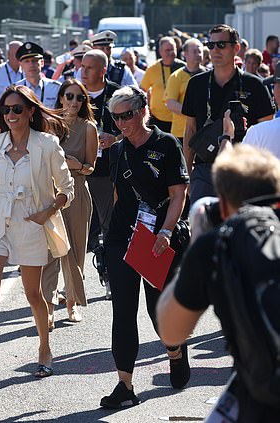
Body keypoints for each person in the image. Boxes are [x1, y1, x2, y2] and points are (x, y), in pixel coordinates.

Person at [0, 85, 74, 393]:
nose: (10, 115)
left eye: (17, 109)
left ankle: (44, 348)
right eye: (5, 110)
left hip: (30, 223)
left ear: (31, 112)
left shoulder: (47, 144)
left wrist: (48, 211)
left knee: (33, 294)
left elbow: (66, 189)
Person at [157, 143, 280, 422]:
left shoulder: (218, 245)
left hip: (262, 403)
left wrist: (199, 241)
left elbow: (171, 330)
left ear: (222, 203)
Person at [100, 86, 190, 408]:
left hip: (157, 238)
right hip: (124, 239)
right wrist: (107, 238)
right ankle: (124, 385)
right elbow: (117, 195)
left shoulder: (166, 144)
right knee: (123, 312)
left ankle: (176, 352)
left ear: (142, 111)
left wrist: (166, 232)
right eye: (116, 117)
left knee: (157, 311)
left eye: (127, 115)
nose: (122, 123)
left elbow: (178, 195)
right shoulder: (116, 151)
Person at [182, 24, 275, 205]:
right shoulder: (196, 84)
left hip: (244, 170)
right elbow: (190, 131)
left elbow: (266, 133)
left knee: (241, 228)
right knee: (202, 226)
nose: (215, 50)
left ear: (236, 48)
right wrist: (187, 173)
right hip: (204, 169)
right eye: (211, 45)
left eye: (222, 45)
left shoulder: (255, 85)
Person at [42, 79, 98, 328]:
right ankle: (48, 307)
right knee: (50, 252)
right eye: (69, 96)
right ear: (61, 98)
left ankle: (71, 303)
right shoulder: (50, 125)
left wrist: (75, 165)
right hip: (52, 193)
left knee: (75, 250)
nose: (74, 102)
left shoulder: (89, 128)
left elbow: (90, 167)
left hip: (77, 195)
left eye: (79, 98)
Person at [80, 49, 121, 260]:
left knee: (109, 225)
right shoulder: (73, 93)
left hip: (107, 172)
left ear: (103, 71)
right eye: (82, 66)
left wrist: (115, 138)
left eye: (89, 68)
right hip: (78, 171)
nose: (83, 72)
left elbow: (136, 130)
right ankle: (73, 283)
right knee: (77, 228)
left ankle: (110, 276)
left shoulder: (118, 94)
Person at [140, 37, 185, 133]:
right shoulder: (152, 69)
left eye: (173, 49)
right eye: (167, 50)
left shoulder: (184, 68)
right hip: (158, 120)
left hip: (180, 120)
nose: (171, 53)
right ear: (160, 52)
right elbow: (142, 90)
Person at [165, 38, 205, 142]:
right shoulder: (176, 76)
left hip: (204, 130)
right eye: (194, 52)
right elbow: (171, 103)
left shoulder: (209, 74)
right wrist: (194, 113)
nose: (198, 54)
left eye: (200, 51)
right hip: (181, 132)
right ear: (185, 54)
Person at [15, 42, 62, 108]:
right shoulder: (15, 90)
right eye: (27, 61)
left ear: (42, 63)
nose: (31, 65)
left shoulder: (55, 88)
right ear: (21, 65)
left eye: (34, 60)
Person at [243, 76, 280, 157]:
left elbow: (236, 167)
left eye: (274, 85)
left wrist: (227, 136)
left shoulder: (257, 132)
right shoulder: (258, 131)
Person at [0, 41, 24, 108]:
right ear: (9, 54)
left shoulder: (26, 71)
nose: (20, 57)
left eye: (22, 54)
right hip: (1, 115)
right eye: (17, 54)